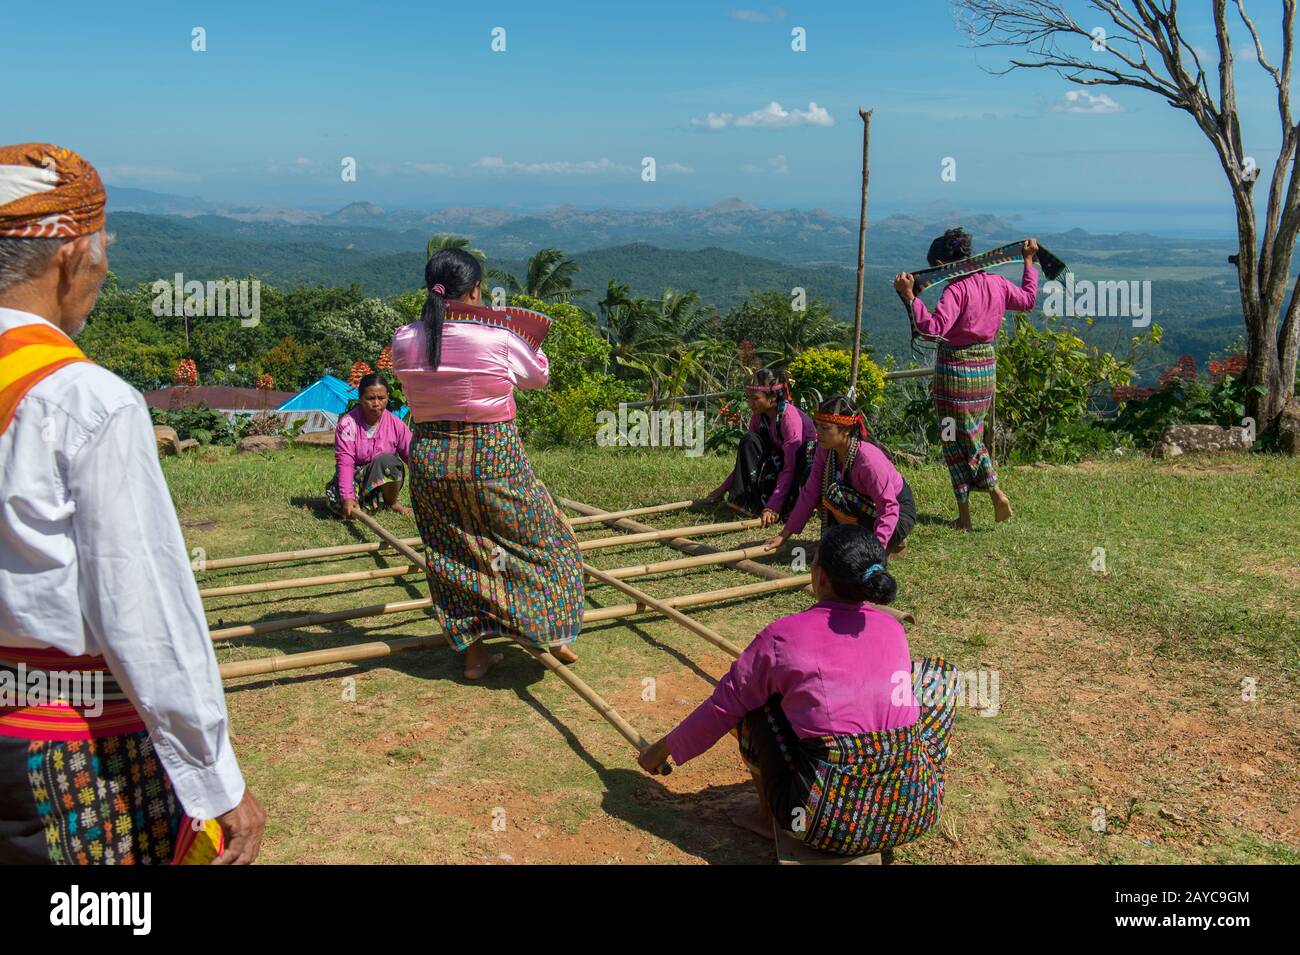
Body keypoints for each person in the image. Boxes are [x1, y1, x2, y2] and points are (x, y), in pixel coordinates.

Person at [0, 143, 264, 864]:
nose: (104, 267)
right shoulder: (88, 402)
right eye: (103, 247)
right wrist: (217, 779)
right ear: (71, 253)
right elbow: (143, 610)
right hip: (65, 753)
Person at [638, 525, 956, 856]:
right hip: (914, 810)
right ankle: (917, 771)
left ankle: (766, 816)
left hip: (816, 822)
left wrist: (660, 751)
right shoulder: (892, 628)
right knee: (938, 676)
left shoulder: (782, 637)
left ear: (820, 577)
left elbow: (722, 707)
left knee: (753, 701)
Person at [392, 249, 584, 680]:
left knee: (451, 554)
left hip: (429, 459)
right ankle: (549, 633)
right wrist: (528, 341)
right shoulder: (497, 338)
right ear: (475, 290)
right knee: (545, 541)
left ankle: (475, 654)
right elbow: (538, 377)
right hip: (492, 456)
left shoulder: (403, 338)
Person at [894, 228, 1039, 530]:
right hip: (985, 367)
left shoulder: (955, 290)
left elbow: (933, 329)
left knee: (955, 441)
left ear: (939, 263)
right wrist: (1029, 263)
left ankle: (993, 494)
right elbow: (1027, 300)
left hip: (955, 369)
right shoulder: (996, 282)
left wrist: (910, 298)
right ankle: (964, 518)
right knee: (972, 433)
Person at [766, 395, 916, 556]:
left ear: (845, 431)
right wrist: (784, 535)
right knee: (815, 481)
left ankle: (878, 542)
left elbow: (889, 508)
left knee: (835, 493)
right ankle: (842, 540)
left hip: (897, 516)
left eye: (825, 428)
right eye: (818, 427)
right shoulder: (826, 450)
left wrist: (874, 553)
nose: (818, 433)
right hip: (868, 505)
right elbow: (811, 490)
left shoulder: (868, 460)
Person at [703, 368, 816, 528]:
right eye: (748, 397)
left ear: (773, 398)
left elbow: (790, 468)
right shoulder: (758, 417)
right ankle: (753, 503)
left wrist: (773, 506)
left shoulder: (788, 418)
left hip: (800, 471)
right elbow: (747, 458)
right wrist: (722, 489)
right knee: (749, 440)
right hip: (780, 465)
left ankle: (787, 508)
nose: (749, 403)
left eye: (755, 398)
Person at [327, 372, 412, 518]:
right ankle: (350, 501)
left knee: (389, 462)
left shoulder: (396, 425)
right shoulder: (348, 424)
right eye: (370, 398)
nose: (377, 403)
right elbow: (345, 462)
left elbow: (412, 458)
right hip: (355, 479)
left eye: (381, 398)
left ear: (388, 398)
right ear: (360, 399)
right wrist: (347, 496)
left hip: (379, 483)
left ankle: (392, 503)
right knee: (341, 507)